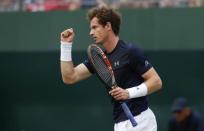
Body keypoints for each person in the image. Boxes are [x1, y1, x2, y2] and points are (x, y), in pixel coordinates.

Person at [60, 6, 162, 131]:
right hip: (119, 125)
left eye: (95, 27)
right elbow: (69, 77)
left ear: (108, 26)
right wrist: (65, 45)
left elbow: (156, 82)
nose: (91, 32)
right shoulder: (98, 59)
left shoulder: (130, 51)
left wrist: (128, 93)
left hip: (142, 121)